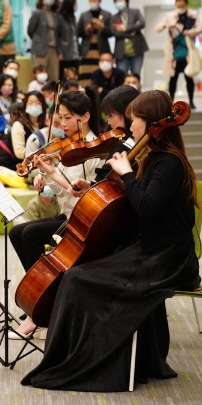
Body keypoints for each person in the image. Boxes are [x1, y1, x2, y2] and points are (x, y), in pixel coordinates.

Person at [22, 89, 200, 391]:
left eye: (135, 120)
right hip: (148, 248)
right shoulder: (152, 156)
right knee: (76, 275)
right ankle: (77, 356)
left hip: (167, 258)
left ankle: (90, 364)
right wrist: (95, 185)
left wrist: (127, 174)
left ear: (152, 122)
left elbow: (146, 206)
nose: (130, 128)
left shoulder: (168, 162)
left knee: (79, 279)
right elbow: (133, 200)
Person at [9, 87, 104, 339]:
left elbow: (77, 191)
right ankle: (41, 297)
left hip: (81, 220)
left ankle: (40, 309)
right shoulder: (70, 146)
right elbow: (61, 187)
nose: (61, 123)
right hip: (67, 214)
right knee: (18, 232)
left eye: (66, 117)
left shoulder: (93, 150)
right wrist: (44, 177)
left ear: (83, 117)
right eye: (59, 117)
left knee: (30, 234)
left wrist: (51, 174)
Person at [156, 1, 202, 110]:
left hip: (187, 51)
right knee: (173, 78)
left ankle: (191, 101)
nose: (180, 8)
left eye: (182, 6)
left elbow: (200, 28)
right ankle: (170, 103)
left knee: (189, 77)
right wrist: (166, 25)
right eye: (178, 6)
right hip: (174, 52)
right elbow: (157, 28)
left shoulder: (193, 14)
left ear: (186, 4)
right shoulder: (170, 16)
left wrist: (191, 31)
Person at [77, 0, 113, 86]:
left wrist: (102, 27)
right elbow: (78, 32)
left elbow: (111, 33)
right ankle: (84, 95)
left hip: (101, 50)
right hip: (86, 51)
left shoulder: (107, 14)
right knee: (85, 75)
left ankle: (98, 95)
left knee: (99, 75)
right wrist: (87, 30)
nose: (93, 1)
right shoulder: (83, 14)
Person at [110, 0, 148, 76]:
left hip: (137, 51)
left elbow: (142, 24)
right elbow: (114, 33)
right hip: (121, 53)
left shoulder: (135, 12)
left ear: (126, 1)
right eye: (116, 1)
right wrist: (132, 32)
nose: (118, 3)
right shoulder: (113, 17)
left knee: (136, 76)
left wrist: (125, 28)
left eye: (120, 0)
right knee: (121, 77)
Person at [28, 0, 60, 83]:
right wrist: (38, 41)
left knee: (54, 77)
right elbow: (30, 30)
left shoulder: (55, 14)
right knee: (40, 76)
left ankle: (53, 95)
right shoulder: (37, 13)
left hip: (54, 49)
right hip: (41, 49)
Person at [12, 91, 47, 162]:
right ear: (25, 105)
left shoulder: (45, 124)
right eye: (30, 103)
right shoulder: (19, 125)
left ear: (43, 106)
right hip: (28, 166)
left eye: (38, 103)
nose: (34, 105)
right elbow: (19, 153)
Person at [56, 0, 79, 81]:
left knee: (74, 77)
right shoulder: (59, 17)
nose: (77, 5)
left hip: (75, 53)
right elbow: (57, 36)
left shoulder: (73, 18)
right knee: (64, 77)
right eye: (75, 3)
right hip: (64, 53)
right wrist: (59, 52)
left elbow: (76, 35)